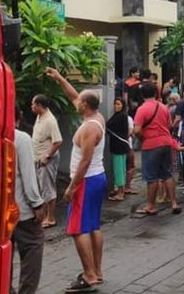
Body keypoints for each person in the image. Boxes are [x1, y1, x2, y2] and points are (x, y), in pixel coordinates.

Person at [45, 67, 106, 293]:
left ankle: (89, 274)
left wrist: (72, 187)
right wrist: (60, 78)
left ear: (84, 106)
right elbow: (73, 95)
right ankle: (97, 272)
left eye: (79, 100)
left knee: (78, 229)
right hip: (95, 179)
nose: (75, 100)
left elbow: (85, 162)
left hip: (87, 181)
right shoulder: (96, 116)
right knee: (93, 226)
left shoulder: (90, 128)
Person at [133, 81, 181, 216]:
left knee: (152, 177)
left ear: (142, 95)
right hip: (166, 142)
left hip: (151, 145)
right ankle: (174, 203)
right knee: (167, 174)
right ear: (155, 93)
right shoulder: (163, 107)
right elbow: (170, 125)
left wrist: (144, 137)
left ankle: (151, 205)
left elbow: (136, 130)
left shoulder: (142, 109)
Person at [12, 108, 46, 294]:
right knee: (33, 247)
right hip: (21, 210)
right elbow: (28, 175)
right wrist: (37, 204)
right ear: (18, 117)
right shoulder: (21, 138)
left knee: (4, 256)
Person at [31, 94, 62, 228]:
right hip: (37, 158)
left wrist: (47, 156)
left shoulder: (50, 120)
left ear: (39, 105)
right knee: (42, 188)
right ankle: (44, 215)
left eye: (33, 104)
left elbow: (58, 141)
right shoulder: (39, 117)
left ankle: (51, 218)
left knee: (48, 188)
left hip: (47, 159)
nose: (31, 106)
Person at [106, 97, 132, 202]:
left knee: (119, 169)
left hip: (119, 146)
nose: (116, 106)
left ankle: (120, 193)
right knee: (120, 169)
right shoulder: (120, 116)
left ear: (123, 105)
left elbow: (108, 125)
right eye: (115, 104)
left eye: (119, 104)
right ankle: (120, 190)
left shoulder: (120, 116)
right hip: (120, 146)